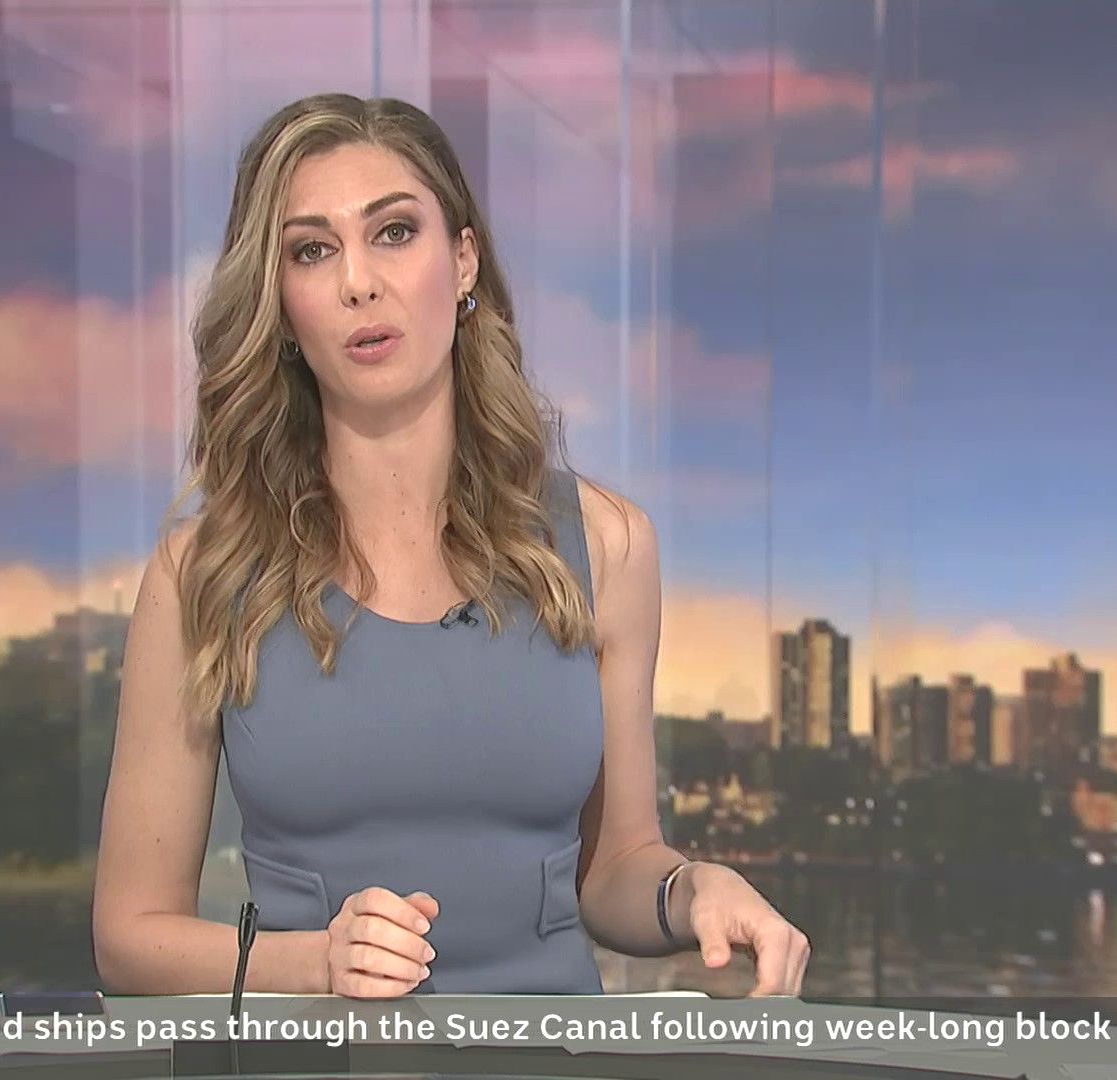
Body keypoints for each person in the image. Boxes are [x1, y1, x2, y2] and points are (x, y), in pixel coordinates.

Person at [92, 92, 808, 998]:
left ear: (463, 260)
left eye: (394, 233)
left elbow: (616, 869)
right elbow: (128, 938)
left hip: (551, 1056)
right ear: (279, 301)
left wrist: (695, 889)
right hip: (321, 1061)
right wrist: (313, 964)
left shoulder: (606, 545)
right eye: (312, 250)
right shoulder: (204, 573)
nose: (359, 282)